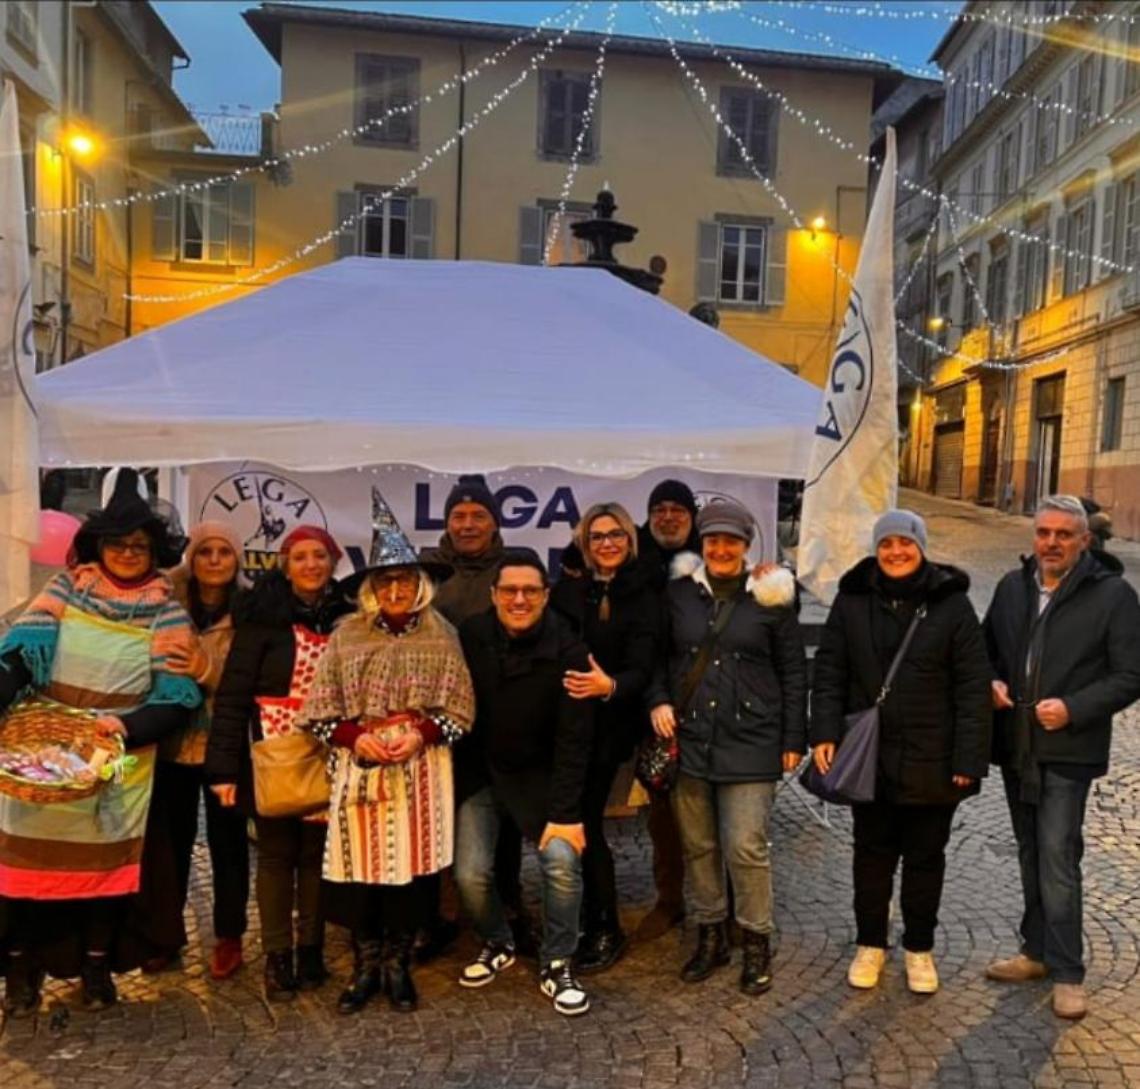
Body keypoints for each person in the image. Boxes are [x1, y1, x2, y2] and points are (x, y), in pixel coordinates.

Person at [0, 470, 201, 1015]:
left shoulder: (166, 609)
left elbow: (178, 694)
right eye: (119, 542)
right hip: (41, 751)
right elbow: (21, 656)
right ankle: (20, 969)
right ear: (99, 545)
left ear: (154, 549)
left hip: (115, 759)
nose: (130, 552)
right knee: (20, 872)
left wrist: (128, 728)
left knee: (103, 873)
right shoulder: (66, 588)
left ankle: (95, 967)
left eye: (140, 544)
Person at [297, 499, 474, 1015]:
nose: (395, 592)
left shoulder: (443, 635)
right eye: (384, 583)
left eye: (404, 582)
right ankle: (364, 965)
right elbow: (320, 710)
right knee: (360, 876)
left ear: (420, 584)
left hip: (420, 770)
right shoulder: (347, 635)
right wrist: (355, 737)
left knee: (409, 876)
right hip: (360, 769)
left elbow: (460, 710)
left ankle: (398, 965)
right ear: (370, 590)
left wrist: (421, 731)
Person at [809, 509, 992, 996]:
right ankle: (870, 944)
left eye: (905, 543)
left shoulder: (951, 606)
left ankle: (919, 948)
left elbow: (973, 687)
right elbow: (829, 670)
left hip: (933, 758)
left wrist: (967, 761)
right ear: (876, 548)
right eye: (886, 543)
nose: (895, 552)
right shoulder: (851, 600)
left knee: (925, 859)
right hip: (870, 756)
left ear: (921, 547)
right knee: (871, 855)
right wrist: (823, 732)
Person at [983, 494, 1140, 1020]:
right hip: (1017, 745)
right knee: (1030, 852)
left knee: (1057, 856)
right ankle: (1035, 952)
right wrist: (992, 681)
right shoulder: (1011, 588)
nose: (1051, 543)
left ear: (1084, 541)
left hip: (1068, 750)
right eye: (1044, 533)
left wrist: (1073, 708)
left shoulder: (1113, 596)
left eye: (1063, 535)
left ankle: (1069, 971)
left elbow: (1130, 674)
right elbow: (985, 651)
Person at [647, 498, 805, 996]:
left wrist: (792, 738)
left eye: (730, 541)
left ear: (746, 546)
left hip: (753, 739)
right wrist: (657, 700)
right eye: (712, 539)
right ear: (702, 543)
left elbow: (794, 670)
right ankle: (710, 934)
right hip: (689, 739)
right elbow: (656, 657)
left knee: (744, 846)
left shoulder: (772, 597)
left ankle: (756, 940)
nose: (720, 548)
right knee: (698, 846)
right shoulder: (677, 595)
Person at [205, 525, 352, 1002]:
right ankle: (276, 956)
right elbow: (230, 698)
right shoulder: (262, 620)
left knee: (315, 855)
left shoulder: (346, 620)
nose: (311, 564)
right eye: (301, 556)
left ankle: (310, 949)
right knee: (274, 856)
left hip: (330, 749)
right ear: (285, 565)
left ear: (332, 563)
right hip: (272, 750)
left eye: (320, 556)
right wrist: (223, 770)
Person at [454, 549, 595, 1016]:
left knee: (559, 859)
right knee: (470, 873)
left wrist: (566, 815)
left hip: (543, 777)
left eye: (530, 590)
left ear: (546, 595)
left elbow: (575, 740)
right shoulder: (471, 635)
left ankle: (558, 961)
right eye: (510, 590)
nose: (519, 598)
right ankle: (498, 941)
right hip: (483, 773)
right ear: (494, 595)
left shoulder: (569, 649)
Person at [131, 522, 251, 979]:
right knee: (168, 845)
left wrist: (207, 670)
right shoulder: (165, 607)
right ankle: (163, 935)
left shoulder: (250, 609)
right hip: (171, 745)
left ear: (237, 560)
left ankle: (229, 935)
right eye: (206, 552)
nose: (215, 560)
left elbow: (249, 681)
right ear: (192, 559)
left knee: (229, 845)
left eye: (224, 551)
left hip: (226, 746)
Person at [419, 474, 533, 956]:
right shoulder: (425, 570)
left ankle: (508, 904)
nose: (467, 525)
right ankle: (440, 913)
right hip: (433, 715)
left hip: (496, 713)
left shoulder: (511, 569)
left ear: (494, 521)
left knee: (502, 817)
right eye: (458, 516)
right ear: (446, 522)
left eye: (478, 516)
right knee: (435, 816)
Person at [550, 503, 659, 974]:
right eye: (597, 536)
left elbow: (646, 665)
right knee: (567, 823)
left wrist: (609, 686)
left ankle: (604, 925)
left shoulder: (646, 592)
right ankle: (574, 918)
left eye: (616, 534)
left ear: (630, 539)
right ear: (585, 543)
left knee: (587, 823)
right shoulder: (568, 591)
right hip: (563, 726)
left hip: (612, 725)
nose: (607, 543)